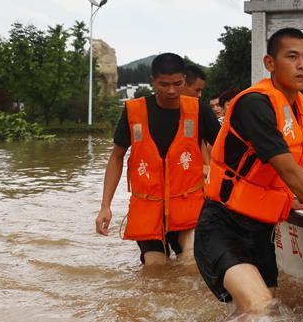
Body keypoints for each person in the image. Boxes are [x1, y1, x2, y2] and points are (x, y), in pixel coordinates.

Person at [195, 28, 303, 314]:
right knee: (259, 307)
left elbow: (291, 174)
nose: (302, 65)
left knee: (263, 314)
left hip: (261, 231)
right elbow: (289, 171)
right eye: (292, 57)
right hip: (223, 226)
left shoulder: (299, 105)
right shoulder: (256, 104)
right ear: (270, 63)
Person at [94, 53, 220, 265]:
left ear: (183, 80)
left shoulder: (199, 111)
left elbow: (226, 153)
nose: (171, 91)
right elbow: (116, 157)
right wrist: (105, 205)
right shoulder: (133, 111)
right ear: (153, 80)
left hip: (187, 203)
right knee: (155, 266)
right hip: (149, 207)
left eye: (177, 84)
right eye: (164, 84)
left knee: (191, 260)